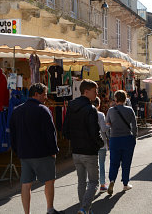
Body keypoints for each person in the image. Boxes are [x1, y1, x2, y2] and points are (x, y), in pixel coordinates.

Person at [10, 83, 62, 214]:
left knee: (26, 184)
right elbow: (50, 133)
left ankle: (26, 212)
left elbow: (13, 134)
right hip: (42, 153)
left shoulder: (17, 110)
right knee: (49, 180)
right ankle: (50, 209)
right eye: (44, 94)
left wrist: (17, 150)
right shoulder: (43, 110)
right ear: (36, 94)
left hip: (25, 154)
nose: (45, 97)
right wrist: (53, 151)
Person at [63, 79, 104, 214]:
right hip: (89, 151)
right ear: (86, 91)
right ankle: (84, 208)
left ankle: (85, 209)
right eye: (94, 91)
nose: (96, 93)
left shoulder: (71, 106)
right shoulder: (90, 109)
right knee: (93, 182)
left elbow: (65, 130)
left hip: (76, 150)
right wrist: (100, 143)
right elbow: (94, 131)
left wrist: (75, 140)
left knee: (82, 182)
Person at [106, 90, 137, 195]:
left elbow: (107, 123)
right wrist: (134, 137)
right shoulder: (130, 110)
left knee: (114, 162)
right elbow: (134, 125)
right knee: (126, 163)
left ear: (115, 99)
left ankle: (112, 180)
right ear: (125, 99)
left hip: (114, 139)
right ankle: (125, 184)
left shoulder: (111, 110)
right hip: (127, 138)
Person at [94, 97, 110, 193]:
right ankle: (102, 184)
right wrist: (109, 125)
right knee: (101, 164)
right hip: (101, 143)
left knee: (92, 165)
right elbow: (103, 129)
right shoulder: (100, 115)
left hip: (91, 144)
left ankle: (92, 184)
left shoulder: (87, 114)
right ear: (99, 105)